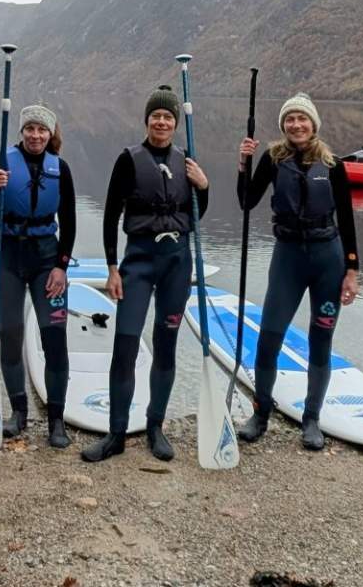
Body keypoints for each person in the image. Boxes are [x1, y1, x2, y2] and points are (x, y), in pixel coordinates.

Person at [81, 86, 210, 463]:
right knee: (125, 346)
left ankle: (155, 427)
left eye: (168, 117)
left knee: (166, 346)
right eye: (156, 116)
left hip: (176, 263)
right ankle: (116, 433)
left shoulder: (188, 161)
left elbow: (197, 213)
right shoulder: (129, 159)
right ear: (147, 120)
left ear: (175, 124)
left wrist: (205, 184)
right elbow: (109, 215)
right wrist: (111, 267)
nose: (162, 122)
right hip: (138, 262)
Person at [235, 93, 359, 451]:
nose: (296, 125)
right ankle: (260, 414)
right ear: (284, 126)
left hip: (328, 260)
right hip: (288, 256)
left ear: (313, 124)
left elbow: (348, 220)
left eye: (302, 119)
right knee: (269, 336)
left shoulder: (333, 164)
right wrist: (243, 163)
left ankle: (312, 419)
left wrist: (352, 270)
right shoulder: (273, 160)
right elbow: (246, 201)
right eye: (290, 120)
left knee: (321, 338)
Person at [0, 103, 76, 448]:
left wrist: (61, 264)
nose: (35, 135)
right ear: (21, 131)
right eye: (30, 128)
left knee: (54, 340)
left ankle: (56, 420)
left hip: (46, 260)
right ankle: (19, 412)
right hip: (7, 256)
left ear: (50, 134)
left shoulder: (62, 169)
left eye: (42, 130)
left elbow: (70, 221)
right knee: (10, 336)